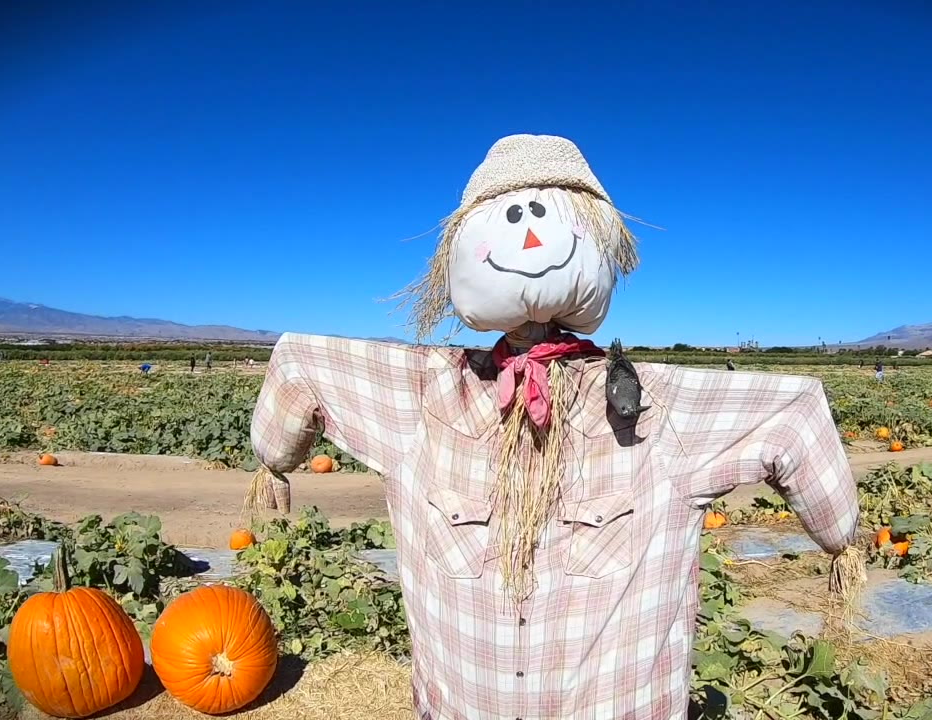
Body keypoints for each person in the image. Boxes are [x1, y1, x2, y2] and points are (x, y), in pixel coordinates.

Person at [249, 134, 861, 719]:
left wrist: (840, 537)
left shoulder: (657, 409)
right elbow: (300, 362)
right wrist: (272, 457)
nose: (530, 229)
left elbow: (793, 410)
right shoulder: (421, 397)